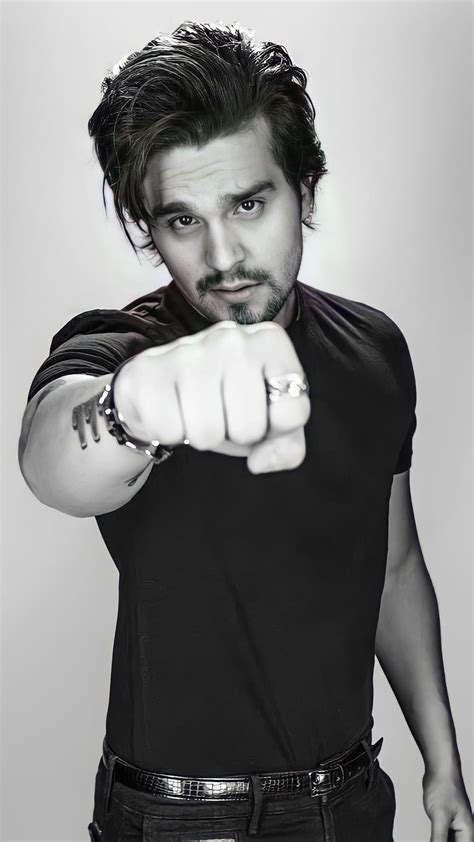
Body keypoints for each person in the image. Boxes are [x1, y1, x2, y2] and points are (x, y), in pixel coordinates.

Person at [18, 20, 472, 842]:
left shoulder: (376, 347)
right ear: (149, 230)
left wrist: (442, 761)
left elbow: (394, 566)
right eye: (181, 221)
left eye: (249, 204)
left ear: (306, 190)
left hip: (352, 800)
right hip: (176, 817)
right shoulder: (124, 346)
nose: (223, 257)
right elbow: (54, 460)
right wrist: (135, 407)